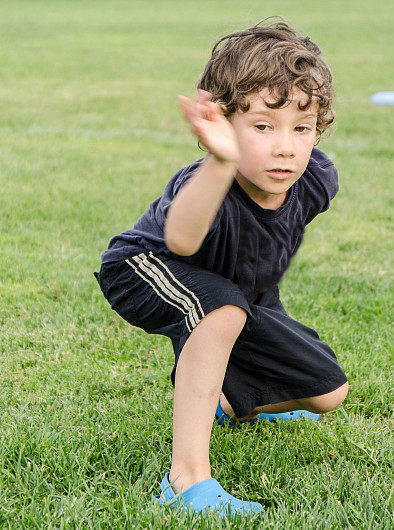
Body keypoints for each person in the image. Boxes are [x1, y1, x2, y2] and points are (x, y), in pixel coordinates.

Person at [94, 21, 349, 516]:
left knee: (329, 392)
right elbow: (182, 240)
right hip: (147, 267)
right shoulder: (210, 177)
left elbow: (258, 253)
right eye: (262, 127)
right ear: (224, 124)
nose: (285, 147)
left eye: (302, 127)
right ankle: (185, 482)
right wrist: (221, 161)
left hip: (234, 287)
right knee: (223, 311)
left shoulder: (317, 180)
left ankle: (227, 401)